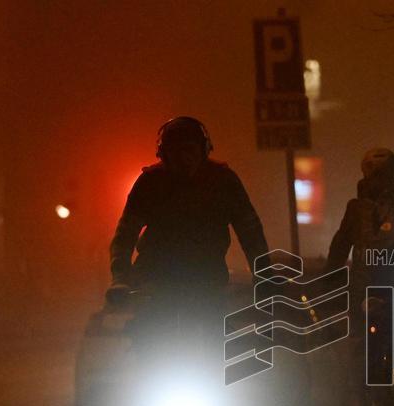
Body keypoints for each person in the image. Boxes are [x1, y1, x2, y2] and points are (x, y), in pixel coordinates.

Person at [107, 116, 271, 359]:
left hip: (206, 285)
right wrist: (120, 278)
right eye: (175, 151)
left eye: (189, 149)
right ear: (164, 154)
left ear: (203, 150)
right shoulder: (150, 183)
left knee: (222, 351)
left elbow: (251, 234)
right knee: (144, 347)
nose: (183, 158)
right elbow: (124, 235)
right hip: (157, 285)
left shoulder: (224, 182)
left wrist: (265, 277)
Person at [325, 148, 394, 406]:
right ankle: (366, 397)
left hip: (388, 286)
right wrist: (331, 273)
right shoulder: (363, 208)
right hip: (374, 287)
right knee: (366, 341)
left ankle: (387, 395)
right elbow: (340, 244)